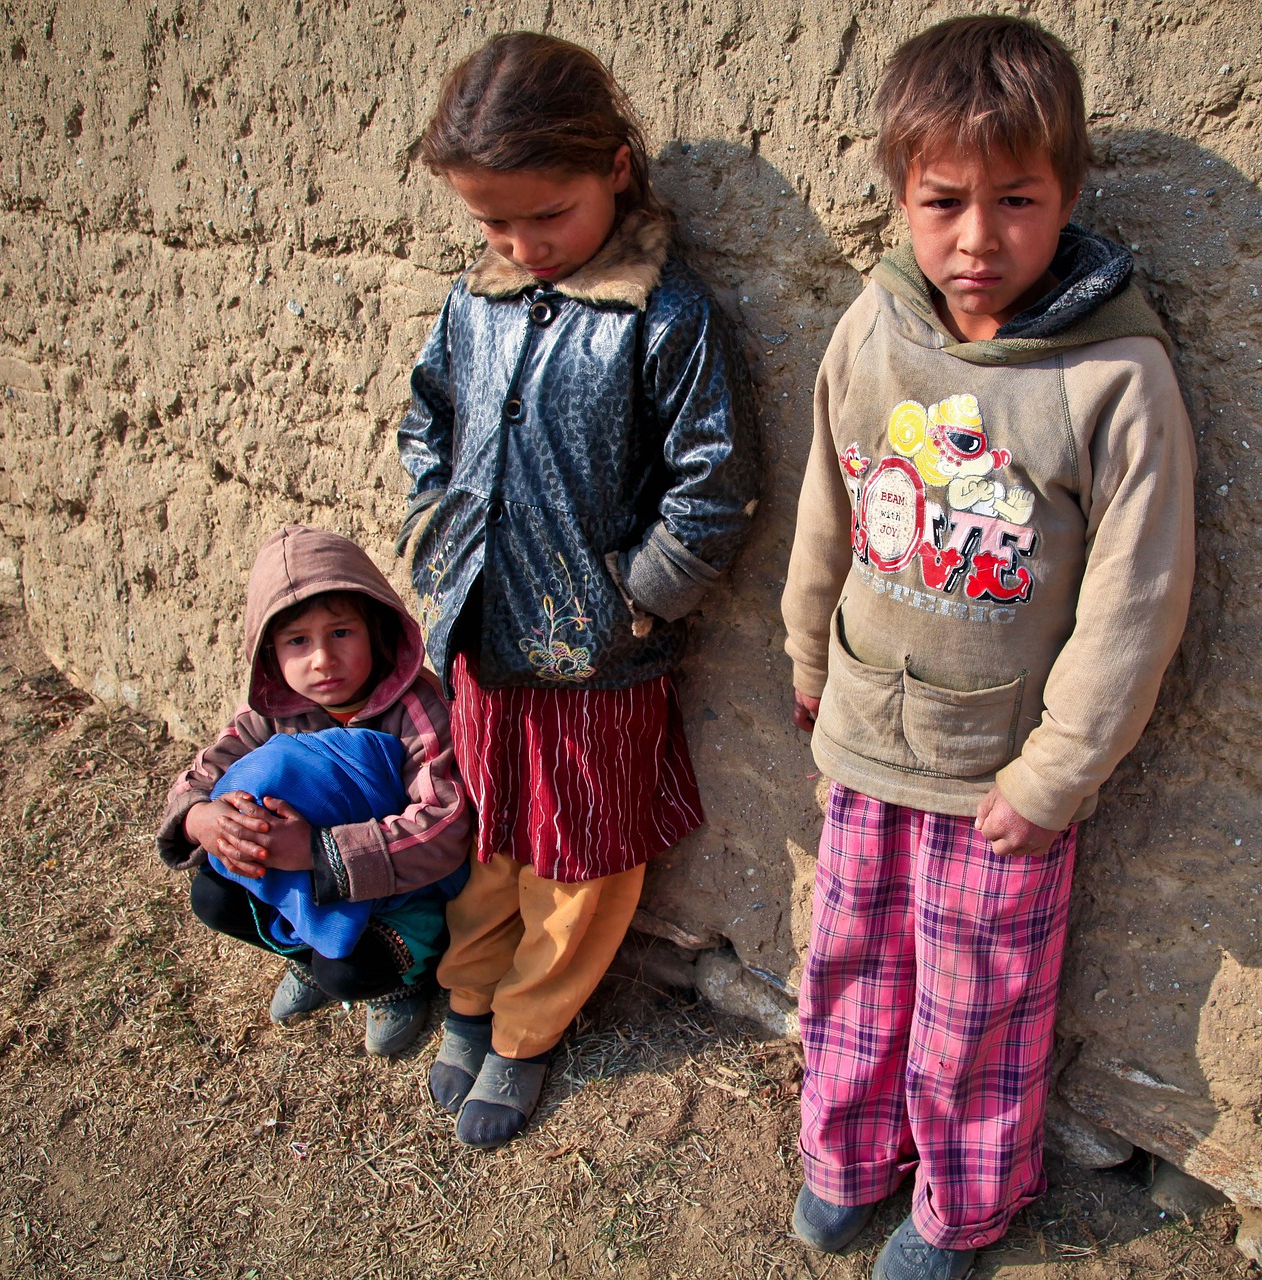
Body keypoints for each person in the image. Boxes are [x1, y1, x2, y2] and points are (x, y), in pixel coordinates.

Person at [780, 16, 1197, 1279]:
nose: (977, 238)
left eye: (1016, 199)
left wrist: (1054, 774)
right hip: (866, 736)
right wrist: (808, 656)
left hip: (999, 781)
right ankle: (846, 1156)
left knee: (977, 1009)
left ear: (1067, 193)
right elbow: (829, 505)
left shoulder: (1113, 377)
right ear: (900, 196)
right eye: (943, 200)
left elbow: (1139, 597)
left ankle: (960, 1206)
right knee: (846, 960)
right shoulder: (874, 328)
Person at [396, 31, 757, 1149]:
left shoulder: (666, 318)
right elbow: (429, 421)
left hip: (601, 652)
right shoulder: (475, 304)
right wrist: (434, 525)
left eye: (544, 215)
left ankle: (526, 1027)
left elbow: (715, 484)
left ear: (613, 166)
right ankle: (468, 991)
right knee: (490, 833)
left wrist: (636, 597)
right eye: (493, 224)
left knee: (582, 859)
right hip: (484, 634)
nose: (521, 244)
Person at [155, 525, 471, 1057]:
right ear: (271, 653)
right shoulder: (274, 709)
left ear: (375, 629)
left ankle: (402, 982)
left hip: (400, 889)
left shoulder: (417, 709)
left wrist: (318, 852)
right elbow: (209, 768)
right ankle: (306, 957)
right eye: (298, 641)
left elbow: (444, 823)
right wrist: (199, 820)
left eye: (341, 633)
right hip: (311, 879)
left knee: (348, 970)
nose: (322, 660)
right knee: (211, 895)